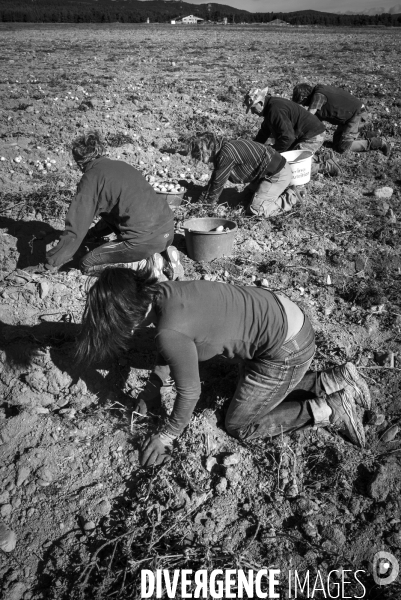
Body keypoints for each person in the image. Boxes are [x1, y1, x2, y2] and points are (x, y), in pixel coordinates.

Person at [76, 268, 371, 468]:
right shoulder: (166, 292)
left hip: (285, 351)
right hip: (287, 318)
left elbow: (189, 392)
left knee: (240, 426)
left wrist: (167, 435)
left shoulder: (169, 331)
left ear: (128, 314)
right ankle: (334, 378)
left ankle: (329, 409)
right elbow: (174, 346)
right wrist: (152, 390)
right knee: (264, 389)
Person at [27, 131, 183, 280]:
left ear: (79, 162)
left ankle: (144, 265)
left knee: (86, 264)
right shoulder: (121, 166)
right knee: (139, 234)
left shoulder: (91, 179)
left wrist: (49, 264)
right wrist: (94, 234)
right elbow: (119, 211)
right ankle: (161, 255)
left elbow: (75, 231)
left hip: (143, 241)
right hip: (168, 230)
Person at [188, 133, 301, 218]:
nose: (200, 160)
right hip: (262, 175)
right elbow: (215, 179)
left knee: (256, 211)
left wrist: (206, 206)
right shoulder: (225, 148)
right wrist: (203, 197)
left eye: (199, 155)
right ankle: (271, 193)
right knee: (241, 202)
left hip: (277, 174)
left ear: (207, 149)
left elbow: (218, 183)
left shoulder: (226, 154)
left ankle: (290, 196)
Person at [244, 87, 340, 177]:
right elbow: (264, 132)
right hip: (302, 133)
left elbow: (288, 138)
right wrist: (254, 150)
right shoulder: (270, 107)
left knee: (290, 168)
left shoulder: (275, 110)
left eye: (252, 108)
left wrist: (273, 154)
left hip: (313, 135)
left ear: (260, 103)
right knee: (284, 157)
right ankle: (323, 157)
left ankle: (326, 166)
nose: (252, 112)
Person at [292, 83, 391, 156]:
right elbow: (313, 123)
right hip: (347, 119)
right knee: (336, 146)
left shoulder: (319, 96)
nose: (303, 105)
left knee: (343, 148)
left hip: (356, 115)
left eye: (302, 103)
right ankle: (366, 135)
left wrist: (295, 134)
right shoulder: (318, 98)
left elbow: (308, 117)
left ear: (304, 97)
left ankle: (379, 143)